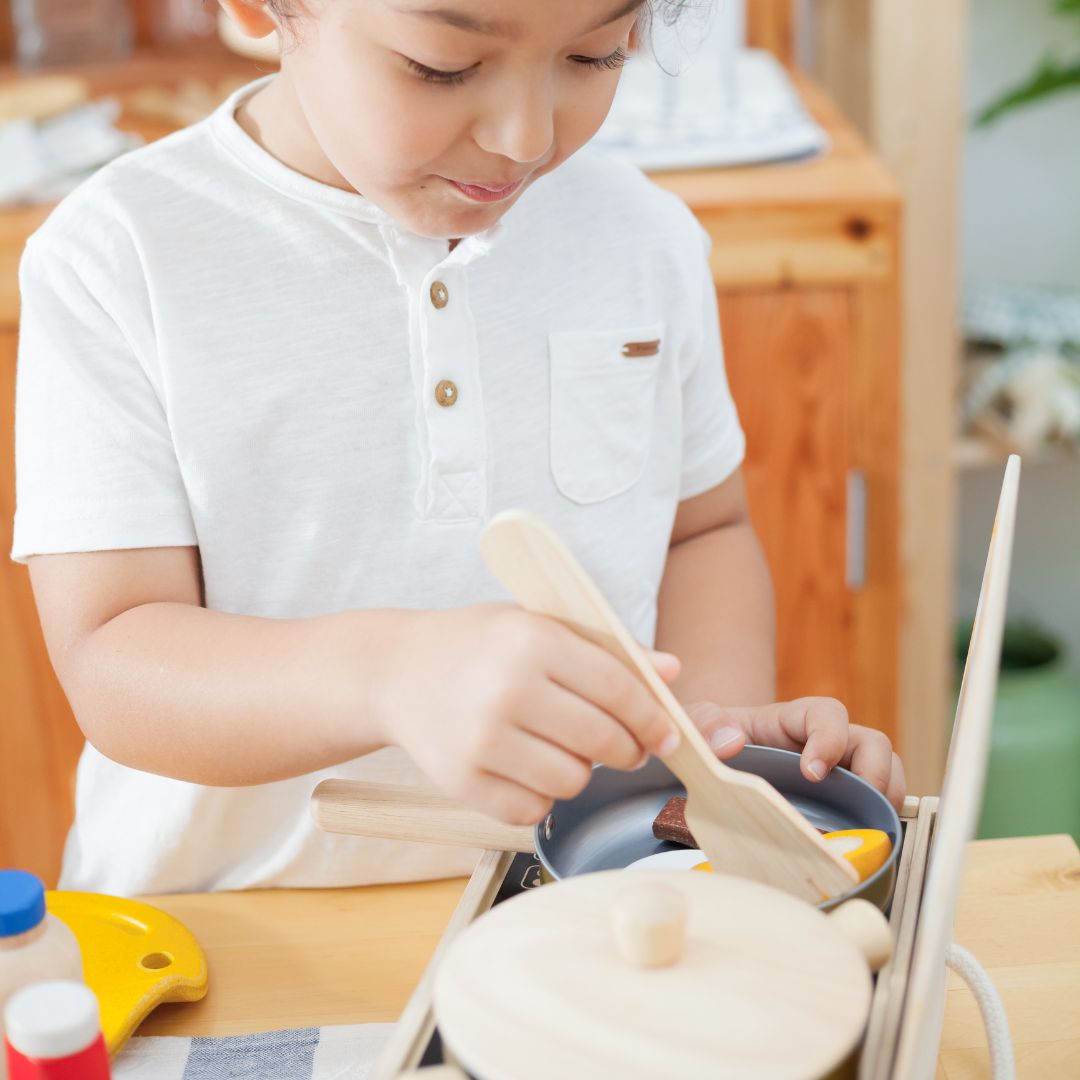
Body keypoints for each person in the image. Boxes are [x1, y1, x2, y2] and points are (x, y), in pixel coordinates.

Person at [12, 0, 905, 897]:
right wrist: (386, 672)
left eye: (595, 56)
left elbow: (700, 533)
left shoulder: (645, 237)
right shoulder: (118, 257)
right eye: (443, 67)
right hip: (223, 927)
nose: (525, 136)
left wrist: (714, 737)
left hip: (576, 900)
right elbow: (115, 654)